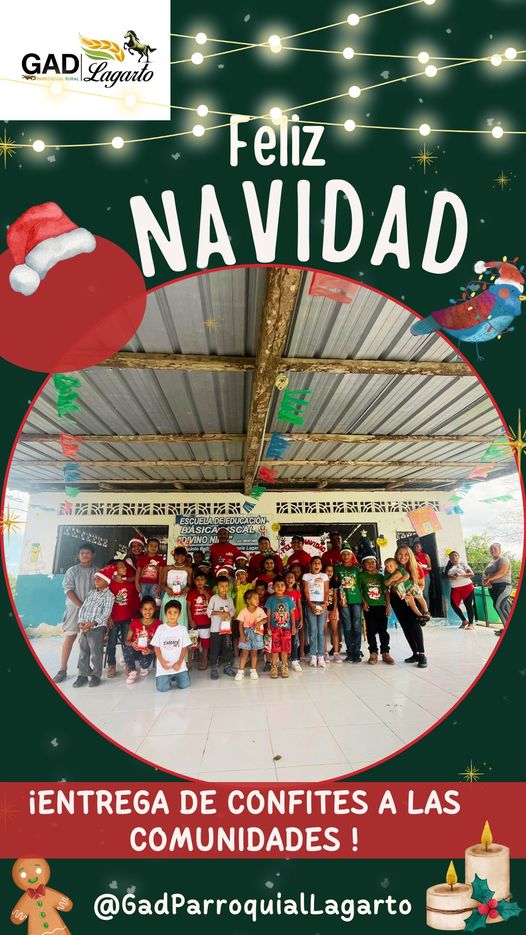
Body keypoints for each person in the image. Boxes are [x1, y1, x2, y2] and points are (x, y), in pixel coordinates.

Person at [54, 543, 99, 684]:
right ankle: (62, 669)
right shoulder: (72, 571)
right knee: (70, 636)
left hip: (91, 610)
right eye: (82, 553)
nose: (85, 555)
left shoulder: (97, 571)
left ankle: (84, 667)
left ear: (93, 555)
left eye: (88, 553)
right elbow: (68, 590)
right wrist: (81, 605)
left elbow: (100, 590)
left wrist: (90, 607)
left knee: (87, 641)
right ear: (78, 555)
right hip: (74, 608)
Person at [72, 567, 115, 688]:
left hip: (97, 628)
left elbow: (106, 613)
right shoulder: (91, 593)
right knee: (83, 651)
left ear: (106, 581)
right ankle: (82, 675)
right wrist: (81, 623)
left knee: (96, 652)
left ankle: (96, 675)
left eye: (99, 579)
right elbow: (84, 608)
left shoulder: (109, 596)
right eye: (95, 579)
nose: (96, 581)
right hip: (84, 626)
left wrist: (92, 623)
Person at [392, 546, 428, 668]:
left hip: (412, 599)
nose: (403, 557)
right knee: (405, 627)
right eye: (400, 554)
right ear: (396, 555)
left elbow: (422, 585)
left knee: (414, 625)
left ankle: (422, 654)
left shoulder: (416, 567)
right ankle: (415, 653)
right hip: (397, 600)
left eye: (406, 554)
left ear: (410, 555)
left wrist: (413, 594)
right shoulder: (392, 567)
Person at [106, 559, 140, 678]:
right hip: (114, 619)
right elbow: (106, 604)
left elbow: (132, 603)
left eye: (124, 566)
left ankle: (128, 664)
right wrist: (109, 618)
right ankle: (111, 664)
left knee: (127, 643)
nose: (125, 568)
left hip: (127, 619)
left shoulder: (128, 585)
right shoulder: (109, 586)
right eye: (121, 566)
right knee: (112, 643)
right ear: (114, 569)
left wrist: (133, 617)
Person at [150, 600, 192, 693]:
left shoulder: (182, 629)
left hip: (179, 666)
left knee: (185, 685)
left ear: (179, 614)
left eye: (175, 612)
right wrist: (162, 662)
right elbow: (156, 647)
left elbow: (184, 648)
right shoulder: (161, 628)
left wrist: (179, 662)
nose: (172, 615)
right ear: (165, 614)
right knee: (162, 688)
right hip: (164, 667)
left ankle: (175, 676)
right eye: (169, 612)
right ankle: (167, 678)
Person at [359, 556, 393, 665]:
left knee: (383, 630)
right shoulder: (361, 576)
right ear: (363, 565)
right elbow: (359, 590)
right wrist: (363, 602)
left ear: (376, 563)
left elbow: (386, 593)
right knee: (371, 630)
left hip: (381, 606)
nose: (370, 564)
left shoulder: (380, 576)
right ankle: (373, 653)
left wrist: (388, 606)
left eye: (372, 562)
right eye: (367, 562)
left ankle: (385, 652)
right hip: (369, 607)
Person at [334, 543, 363, 663]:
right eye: (344, 554)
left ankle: (357, 651)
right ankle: (350, 651)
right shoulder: (337, 568)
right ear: (341, 556)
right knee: (347, 626)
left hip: (356, 600)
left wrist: (363, 601)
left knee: (357, 625)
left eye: (348, 554)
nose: (346, 556)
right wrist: (338, 600)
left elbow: (360, 586)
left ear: (352, 555)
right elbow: (336, 585)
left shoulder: (357, 569)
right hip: (343, 601)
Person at [122, 596, 160, 683]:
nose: (148, 611)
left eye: (150, 609)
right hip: (135, 650)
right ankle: (132, 670)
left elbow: (160, 644)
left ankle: (143, 667)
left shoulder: (158, 624)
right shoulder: (135, 622)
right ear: (141, 610)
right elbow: (127, 641)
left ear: (154, 610)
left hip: (148, 651)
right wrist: (132, 644)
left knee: (144, 665)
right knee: (127, 649)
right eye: (145, 609)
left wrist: (151, 651)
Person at [266, 577, 296, 679]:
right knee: (275, 649)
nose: (280, 587)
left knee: (285, 649)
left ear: (285, 587)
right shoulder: (270, 599)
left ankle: (284, 666)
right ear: (273, 587)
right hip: (274, 628)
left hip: (286, 629)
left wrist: (293, 627)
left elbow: (292, 613)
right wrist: (268, 626)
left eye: (282, 585)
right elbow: (268, 613)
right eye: (277, 585)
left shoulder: (288, 599)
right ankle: (274, 667)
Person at [302, 555, 329, 668]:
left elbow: (326, 591)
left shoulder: (324, 576)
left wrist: (325, 604)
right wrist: (310, 604)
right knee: (313, 630)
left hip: (322, 603)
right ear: (310, 565)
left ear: (321, 566)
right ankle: (313, 656)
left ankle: (321, 656)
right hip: (311, 604)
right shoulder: (306, 576)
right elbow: (306, 591)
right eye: (314, 563)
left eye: (319, 563)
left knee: (321, 631)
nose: (316, 565)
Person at [207, 576, 236, 679]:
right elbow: (208, 612)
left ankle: (227, 666)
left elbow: (233, 611)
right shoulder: (214, 598)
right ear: (217, 587)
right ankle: (214, 668)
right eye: (221, 586)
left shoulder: (230, 599)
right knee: (215, 649)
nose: (224, 588)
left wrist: (228, 614)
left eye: (226, 586)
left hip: (226, 630)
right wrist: (220, 613)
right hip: (215, 629)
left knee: (227, 648)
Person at [235, 589, 267, 680]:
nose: (258, 600)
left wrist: (260, 623)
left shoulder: (260, 610)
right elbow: (240, 624)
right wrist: (242, 635)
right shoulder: (243, 611)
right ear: (248, 601)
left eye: (258, 598)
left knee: (254, 653)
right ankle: (240, 671)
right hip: (246, 633)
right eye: (255, 598)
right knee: (244, 653)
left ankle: (253, 670)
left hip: (257, 634)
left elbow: (265, 619)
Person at [483, 542, 513, 632]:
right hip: (493, 587)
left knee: (498, 606)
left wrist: (489, 579)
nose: (493, 550)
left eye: (495, 548)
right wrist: (487, 582)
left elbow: (502, 572)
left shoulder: (503, 559)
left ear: (500, 550)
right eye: (491, 549)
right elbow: (486, 573)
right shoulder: (491, 561)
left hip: (503, 586)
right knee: (504, 607)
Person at [442, 551, 476, 629]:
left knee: (468, 605)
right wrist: (450, 577)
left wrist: (461, 575)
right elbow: (443, 577)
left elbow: (471, 574)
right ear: (450, 558)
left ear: (458, 556)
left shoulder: (463, 564)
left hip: (467, 587)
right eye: (452, 556)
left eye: (456, 555)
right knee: (454, 605)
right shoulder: (447, 567)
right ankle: (464, 620)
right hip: (455, 588)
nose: (454, 557)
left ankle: (471, 624)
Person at [160, 546, 192, 629]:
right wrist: (167, 589)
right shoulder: (167, 568)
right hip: (169, 595)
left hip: (182, 596)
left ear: (185, 556)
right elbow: (162, 584)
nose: (179, 557)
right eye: (177, 555)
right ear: (174, 556)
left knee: (181, 616)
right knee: (168, 615)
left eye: (182, 555)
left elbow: (190, 585)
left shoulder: (188, 569)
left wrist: (185, 590)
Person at [187, 571, 212, 670]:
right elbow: (188, 608)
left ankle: (204, 658)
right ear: (194, 581)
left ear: (205, 581)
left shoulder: (209, 591)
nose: (200, 582)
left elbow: (212, 603)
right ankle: (189, 660)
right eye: (197, 580)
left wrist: (204, 593)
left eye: (202, 579)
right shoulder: (191, 592)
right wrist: (190, 620)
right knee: (192, 643)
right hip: (194, 623)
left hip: (206, 623)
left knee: (205, 643)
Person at [285, 569, 303, 672]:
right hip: (283, 620)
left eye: (292, 577)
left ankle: (294, 659)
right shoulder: (282, 592)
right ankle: (284, 660)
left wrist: (301, 619)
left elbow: (299, 606)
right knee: (285, 639)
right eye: (288, 577)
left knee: (294, 640)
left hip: (295, 619)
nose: (290, 579)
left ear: (295, 580)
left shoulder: (296, 592)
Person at [323, 562, 342, 662]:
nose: (329, 572)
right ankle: (325, 653)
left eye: (331, 571)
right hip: (323, 610)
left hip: (333, 609)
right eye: (327, 571)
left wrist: (334, 610)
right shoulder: (321, 582)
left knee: (334, 631)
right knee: (324, 632)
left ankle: (336, 653)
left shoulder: (334, 583)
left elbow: (335, 597)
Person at [414, 540, 432, 606]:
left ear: (421, 547)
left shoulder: (425, 555)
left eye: (417, 546)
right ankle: (421, 609)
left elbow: (430, 568)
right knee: (418, 594)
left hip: (425, 576)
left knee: (425, 594)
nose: (416, 548)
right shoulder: (412, 557)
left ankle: (427, 610)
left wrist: (422, 567)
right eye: (414, 547)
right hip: (416, 577)